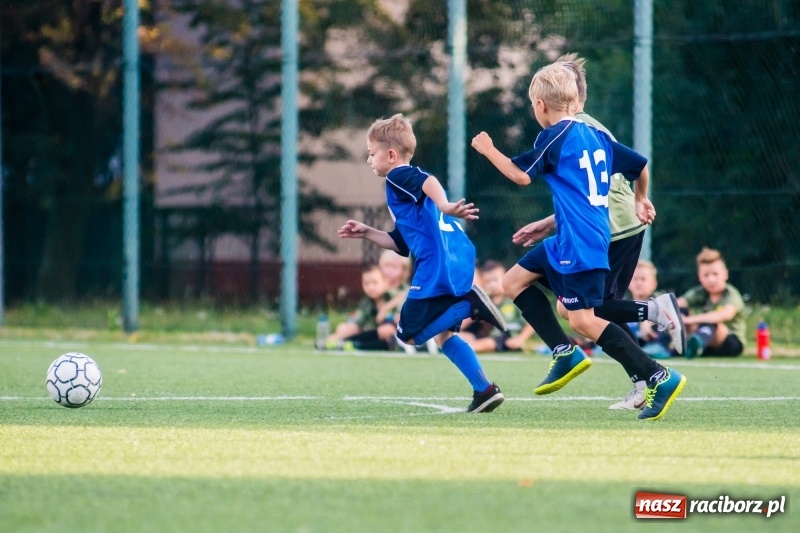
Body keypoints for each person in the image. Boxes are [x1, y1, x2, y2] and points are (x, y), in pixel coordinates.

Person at [471, 62, 687, 420]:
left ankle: (657, 376)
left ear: (540, 105)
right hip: (573, 237)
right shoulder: (595, 135)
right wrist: (640, 197)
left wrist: (488, 149)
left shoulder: (553, 137)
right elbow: (639, 165)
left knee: (583, 319)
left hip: (580, 242)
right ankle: (564, 351)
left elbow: (520, 176)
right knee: (513, 281)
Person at [338, 113, 508, 413]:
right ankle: (484, 390)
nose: (369, 160)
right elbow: (401, 244)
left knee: (408, 333)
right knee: (444, 335)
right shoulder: (404, 189)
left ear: (391, 155)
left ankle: (470, 304)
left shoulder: (397, 176)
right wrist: (367, 232)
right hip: (453, 257)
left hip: (435, 265)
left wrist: (445, 205)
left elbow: (429, 181)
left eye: (372, 153)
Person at [678, 247, 746, 358]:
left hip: (729, 343)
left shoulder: (731, 294)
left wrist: (690, 320)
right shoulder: (698, 293)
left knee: (712, 321)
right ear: (699, 277)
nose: (711, 279)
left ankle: (697, 343)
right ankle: (661, 344)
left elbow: (724, 315)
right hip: (706, 342)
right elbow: (674, 305)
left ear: (725, 274)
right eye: (706, 275)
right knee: (679, 311)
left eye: (715, 274)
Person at [460, 260, 536, 353]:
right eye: (488, 281)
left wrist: (520, 339)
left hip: (507, 338)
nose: (492, 285)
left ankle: (463, 350)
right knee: (459, 336)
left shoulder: (514, 300)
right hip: (488, 337)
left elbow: (532, 322)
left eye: (495, 280)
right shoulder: (484, 301)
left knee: (487, 343)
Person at [325, 264, 394, 351]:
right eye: (366, 284)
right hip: (370, 334)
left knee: (387, 330)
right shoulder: (366, 303)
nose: (371, 287)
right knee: (343, 327)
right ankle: (334, 341)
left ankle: (349, 343)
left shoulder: (393, 297)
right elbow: (357, 323)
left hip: (392, 336)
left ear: (385, 282)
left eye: (375, 283)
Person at [626, 259, 672, 359]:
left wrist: (647, 322)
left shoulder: (660, 300)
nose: (638, 283)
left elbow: (669, 310)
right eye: (635, 279)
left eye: (643, 279)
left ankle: (658, 348)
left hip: (654, 342)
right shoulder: (623, 303)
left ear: (653, 284)